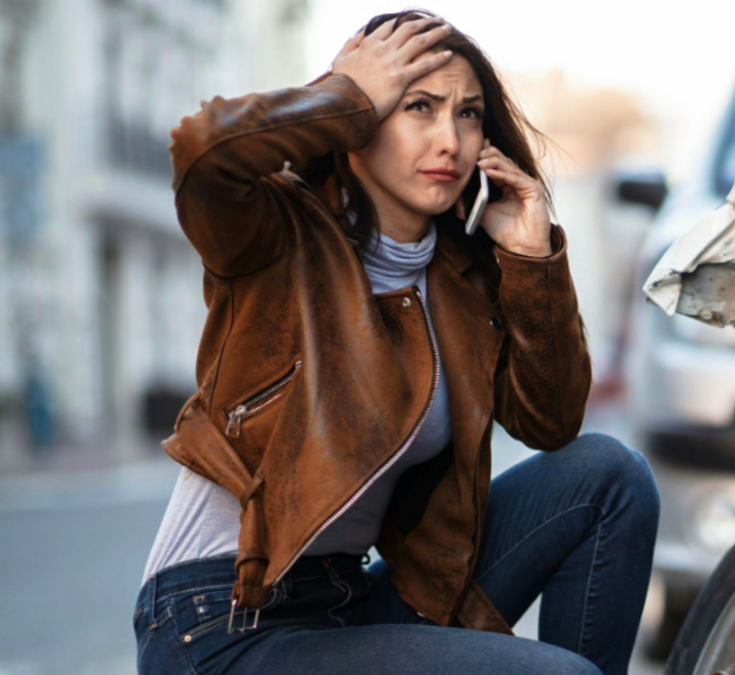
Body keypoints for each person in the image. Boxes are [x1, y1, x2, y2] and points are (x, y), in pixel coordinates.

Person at [132, 9, 660, 675]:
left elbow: (552, 422)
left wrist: (532, 260)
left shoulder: (460, 279)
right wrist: (344, 94)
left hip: (350, 604)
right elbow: (201, 154)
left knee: (610, 477)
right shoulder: (278, 235)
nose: (450, 139)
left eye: (468, 114)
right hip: (221, 623)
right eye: (418, 106)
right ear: (360, 122)